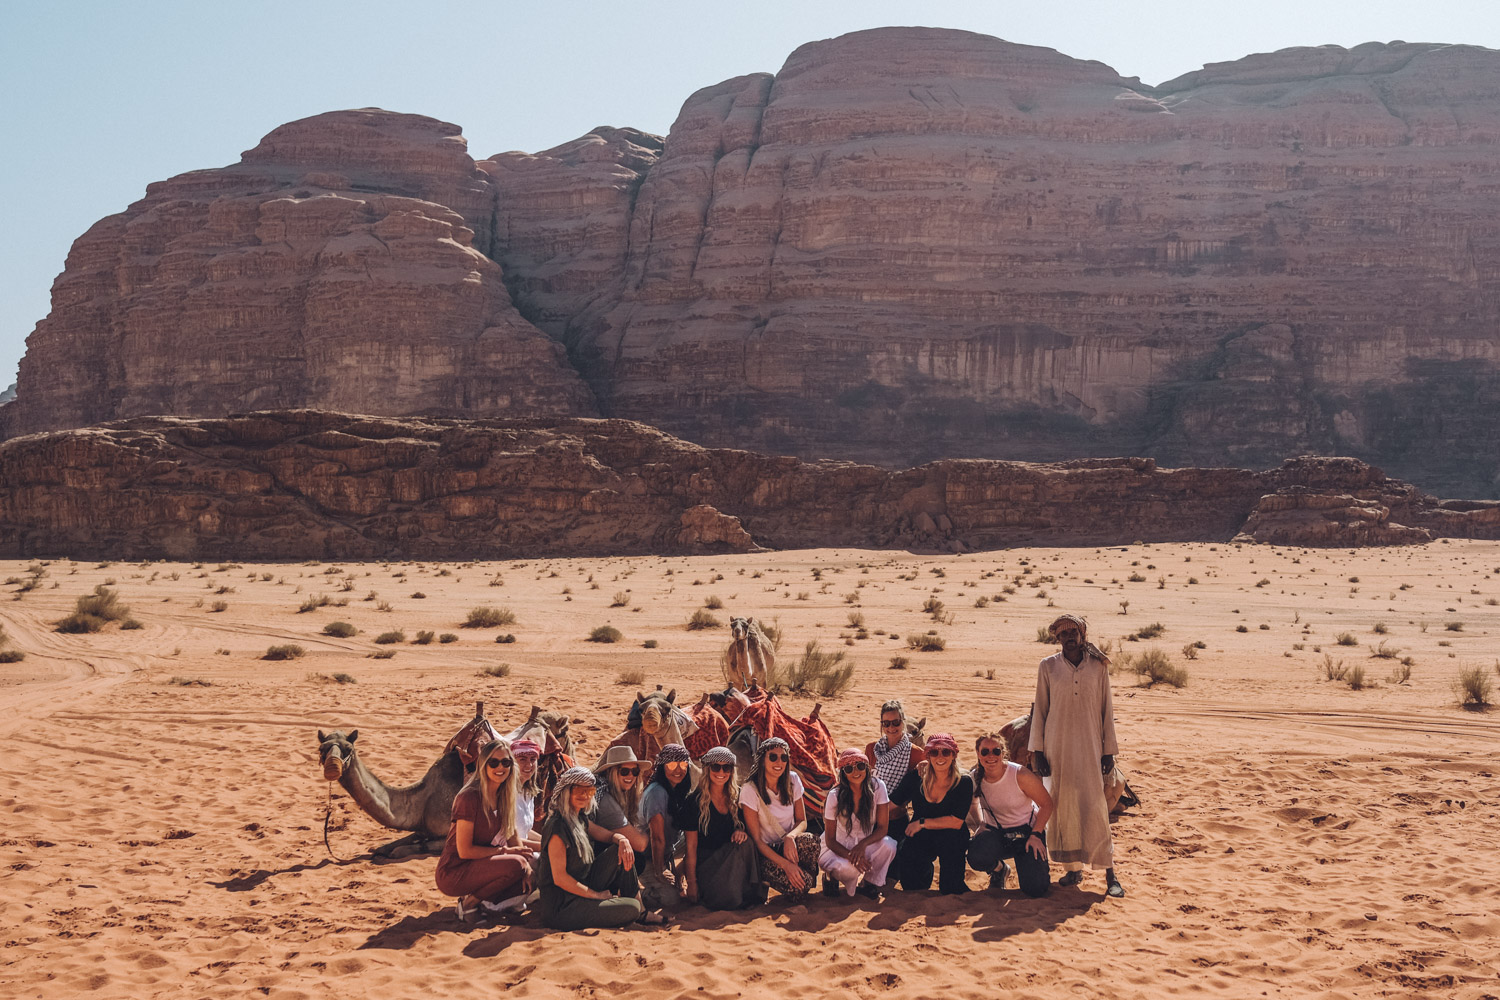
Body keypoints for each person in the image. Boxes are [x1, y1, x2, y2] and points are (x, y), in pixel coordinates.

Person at [1029, 613, 1124, 897]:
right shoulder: (1048, 666)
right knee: (1063, 804)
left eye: (1074, 633)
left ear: (1083, 635)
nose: (1070, 637)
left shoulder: (1098, 666)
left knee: (1095, 806)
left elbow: (1107, 709)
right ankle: (1073, 870)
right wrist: (1038, 752)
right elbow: (1041, 710)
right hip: (1056, 748)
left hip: (1091, 747)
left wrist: (1109, 751)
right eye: (1063, 634)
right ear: (1057, 638)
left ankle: (1110, 874)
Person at [535, 766, 665, 929]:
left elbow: (607, 835)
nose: (584, 796)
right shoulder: (557, 827)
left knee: (619, 851)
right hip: (562, 906)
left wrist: (622, 839)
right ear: (566, 791)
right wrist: (596, 895)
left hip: (582, 886)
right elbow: (560, 879)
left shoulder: (579, 817)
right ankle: (636, 910)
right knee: (631, 908)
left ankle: (641, 911)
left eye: (589, 791)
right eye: (579, 790)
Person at [434, 739, 535, 921]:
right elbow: (465, 851)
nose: (500, 767)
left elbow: (513, 838)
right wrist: (506, 852)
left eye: (505, 762)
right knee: (517, 864)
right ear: (483, 765)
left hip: (482, 864)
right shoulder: (469, 798)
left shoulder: (504, 796)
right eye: (493, 762)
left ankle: (494, 903)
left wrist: (528, 864)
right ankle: (469, 904)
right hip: (454, 871)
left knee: (533, 863)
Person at [967, 732, 1053, 897]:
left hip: (1027, 833)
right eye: (985, 752)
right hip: (997, 833)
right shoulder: (974, 777)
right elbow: (973, 803)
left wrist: (1036, 834)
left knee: (1036, 889)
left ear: (1003, 753)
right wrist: (980, 824)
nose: (991, 756)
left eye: (996, 751)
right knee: (976, 856)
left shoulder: (1019, 774)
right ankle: (999, 870)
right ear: (978, 754)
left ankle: (1029, 863)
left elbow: (1047, 804)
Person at [890, 733, 973, 894]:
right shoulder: (916, 777)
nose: (940, 757)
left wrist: (921, 823)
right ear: (928, 755)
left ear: (954, 755)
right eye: (934, 752)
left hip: (951, 836)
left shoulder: (963, 781)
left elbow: (956, 822)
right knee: (911, 886)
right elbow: (891, 805)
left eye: (946, 752)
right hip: (922, 835)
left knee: (951, 890)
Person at [676, 746, 755, 910]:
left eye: (726, 767)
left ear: (732, 771)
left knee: (746, 844)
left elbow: (753, 830)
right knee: (725, 900)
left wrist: (742, 831)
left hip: (732, 861)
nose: (721, 772)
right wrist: (691, 883)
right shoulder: (693, 802)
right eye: (715, 767)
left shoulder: (738, 797)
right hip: (707, 863)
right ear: (707, 769)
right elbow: (691, 847)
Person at [740, 737, 820, 898]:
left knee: (811, 840)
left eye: (784, 757)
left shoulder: (793, 780)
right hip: (767, 852)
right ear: (762, 760)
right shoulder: (750, 790)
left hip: (789, 845)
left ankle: (803, 878)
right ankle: (779, 878)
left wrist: (790, 837)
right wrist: (785, 866)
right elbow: (757, 840)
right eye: (773, 757)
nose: (779, 762)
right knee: (799, 888)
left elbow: (802, 820)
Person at [819, 747, 896, 899]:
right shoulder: (835, 795)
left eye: (860, 766)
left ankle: (868, 883)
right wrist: (850, 856)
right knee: (850, 870)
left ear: (867, 768)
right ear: (843, 773)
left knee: (889, 845)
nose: (856, 772)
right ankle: (830, 877)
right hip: (836, 849)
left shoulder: (879, 787)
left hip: (863, 845)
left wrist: (862, 846)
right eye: (849, 768)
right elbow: (830, 840)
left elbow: (882, 828)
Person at [638, 744, 692, 907]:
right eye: (671, 765)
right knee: (670, 899)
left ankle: (681, 871)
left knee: (702, 836)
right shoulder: (657, 793)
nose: (678, 770)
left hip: (670, 846)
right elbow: (657, 838)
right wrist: (660, 869)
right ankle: (632, 894)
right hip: (647, 856)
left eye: (683, 765)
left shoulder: (677, 789)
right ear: (662, 767)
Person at [865, 699, 925, 844]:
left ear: (903, 722)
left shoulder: (916, 754)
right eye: (886, 723)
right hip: (869, 818)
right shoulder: (872, 749)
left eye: (896, 722)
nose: (891, 727)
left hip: (897, 819)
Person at [591, 746, 649, 854]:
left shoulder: (615, 791)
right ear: (612, 772)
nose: (630, 776)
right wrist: (650, 833)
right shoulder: (606, 802)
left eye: (635, 771)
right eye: (625, 771)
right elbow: (639, 844)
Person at [509, 738, 544, 853]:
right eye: (522, 759)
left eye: (533, 759)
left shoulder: (528, 793)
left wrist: (548, 842)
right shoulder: (506, 794)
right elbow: (507, 839)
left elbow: (525, 830)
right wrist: (547, 847)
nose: (528, 765)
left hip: (524, 848)